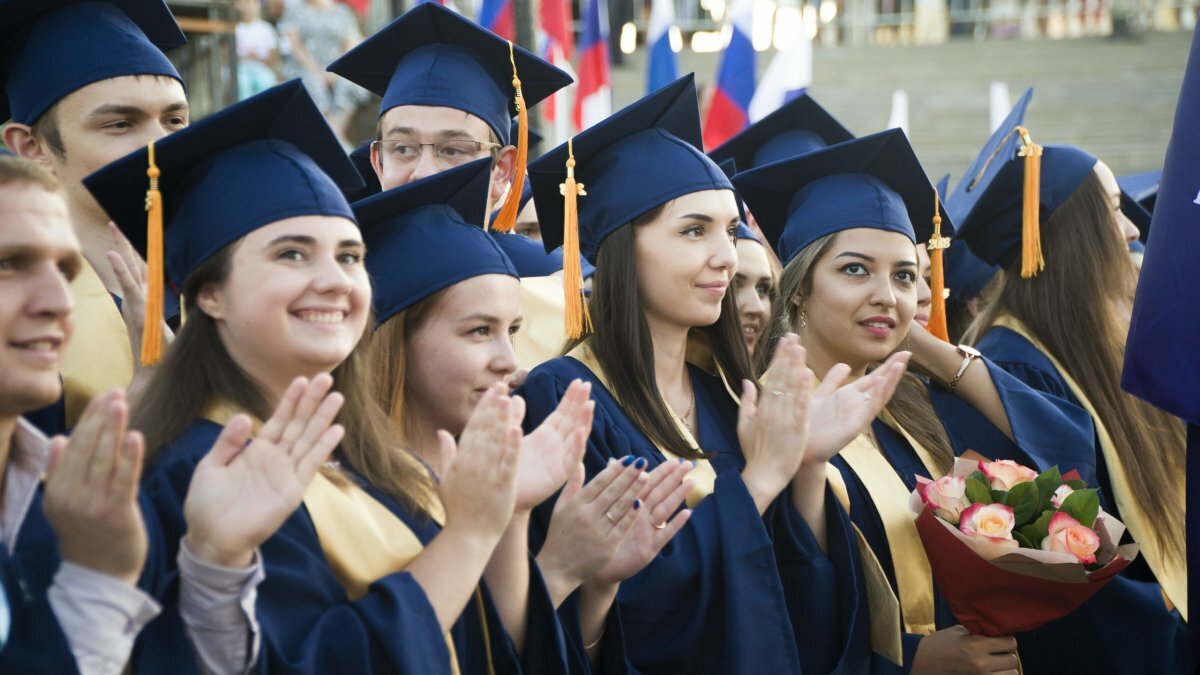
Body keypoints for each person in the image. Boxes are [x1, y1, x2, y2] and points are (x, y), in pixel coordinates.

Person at [86, 80, 572, 674]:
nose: (335, 281)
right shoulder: (195, 471)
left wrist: (504, 518)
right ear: (208, 293)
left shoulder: (368, 456)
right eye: (292, 254)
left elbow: (477, 645)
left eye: (349, 256)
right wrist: (468, 534)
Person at [521, 75, 911, 674]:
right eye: (693, 230)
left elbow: (796, 602)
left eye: (730, 231)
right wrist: (760, 481)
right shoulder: (562, 398)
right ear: (622, 246)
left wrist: (806, 467)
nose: (727, 257)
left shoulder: (726, 396)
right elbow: (635, 615)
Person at [733, 128, 1100, 674]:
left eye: (904, 276)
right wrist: (910, 662)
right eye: (855, 269)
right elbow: (775, 608)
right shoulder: (757, 421)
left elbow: (1064, 448)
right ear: (800, 286)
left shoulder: (912, 407)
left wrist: (921, 343)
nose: (886, 294)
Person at [356, 158, 692, 672]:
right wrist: (555, 565)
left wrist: (591, 580)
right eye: (478, 331)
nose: (509, 362)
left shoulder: (490, 479)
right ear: (395, 341)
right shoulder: (346, 502)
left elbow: (512, 657)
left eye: (511, 331)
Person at [1, 147, 326, 675]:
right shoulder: (135, 484)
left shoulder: (62, 508)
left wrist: (212, 564)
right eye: (8, 264)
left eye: (65, 270)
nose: (59, 301)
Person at [952, 114, 1188, 672]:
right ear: (1071, 236)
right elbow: (1069, 554)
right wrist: (1167, 627)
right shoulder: (1014, 368)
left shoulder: (1100, 344)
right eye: (1113, 210)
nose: (1131, 230)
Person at [1, 0, 190, 435]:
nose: (160, 146)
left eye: (174, 119)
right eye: (120, 124)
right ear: (31, 148)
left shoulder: (217, 288)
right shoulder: (17, 325)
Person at [278, 0, 369, 147]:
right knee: (312, 83)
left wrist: (336, 71)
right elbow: (296, 47)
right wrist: (318, 71)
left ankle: (335, 134)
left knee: (350, 84)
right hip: (304, 68)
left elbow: (350, 43)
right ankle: (338, 140)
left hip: (337, 68)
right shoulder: (294, 11)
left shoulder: (342, 12)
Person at [234, 0, 281, 100]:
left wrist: (257, 58)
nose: (248, 7)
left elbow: (272, 57)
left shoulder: (266, 29)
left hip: (261, 69)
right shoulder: (234, 28)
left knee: (266, 82)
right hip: (240, 70)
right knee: (242, 83)